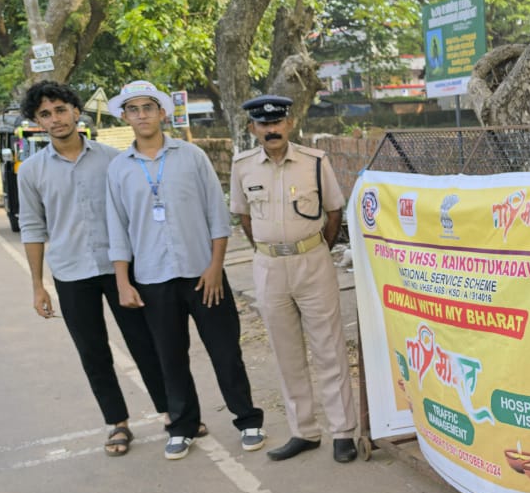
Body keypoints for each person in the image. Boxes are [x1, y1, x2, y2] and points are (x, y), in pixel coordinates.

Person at [105, 79, 264, 460]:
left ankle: (247, 419)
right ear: (125, 117)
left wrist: (214, 268)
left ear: (163, 113)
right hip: (153, 279)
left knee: (225, 351)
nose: (142, 115)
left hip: (202, 274)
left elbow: (216, 216)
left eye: (148, 107)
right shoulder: (119, 169)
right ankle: (182, 425)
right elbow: (117, 229)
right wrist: (124, 283)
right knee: (170, 356)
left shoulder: (191, 157)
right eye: (133, 109)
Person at [17, 80, 170, 457]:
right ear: (37, 121)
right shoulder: (32, 171)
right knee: (92, 351)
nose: (55, 119)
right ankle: (116, 423)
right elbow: (33, 227)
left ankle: (172, 412)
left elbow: (133, 213)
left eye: (60, 110)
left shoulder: (113, 160)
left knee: (144, 343)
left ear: (76, 111)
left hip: (120, 268)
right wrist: (38, 285)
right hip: (70, 272)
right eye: (45, 114)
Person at [231, 94, 358, 463]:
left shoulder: (315, 162)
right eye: (263, 124)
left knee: (329, 349)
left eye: (277, 122)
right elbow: (244, 217)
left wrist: (312, 248)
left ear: (289, 124)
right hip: (269, 267)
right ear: (253, 128)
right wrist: (271, 249)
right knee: (287, 352)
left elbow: (334, 212)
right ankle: (304, 431)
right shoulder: (243, 167)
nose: (271, 129)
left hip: (312, 261)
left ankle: (342, 432)